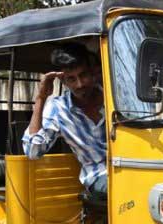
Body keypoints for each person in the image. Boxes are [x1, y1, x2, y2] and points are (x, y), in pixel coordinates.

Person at [22, 43, 107, 199]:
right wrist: (41, 98)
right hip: (99, 177)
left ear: (93, 73)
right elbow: (32, 152)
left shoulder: (113, 97)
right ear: (63, 80)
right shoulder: (57, 108)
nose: (80, 84)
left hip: (131, 167)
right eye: (72, 79)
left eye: (83, 76)